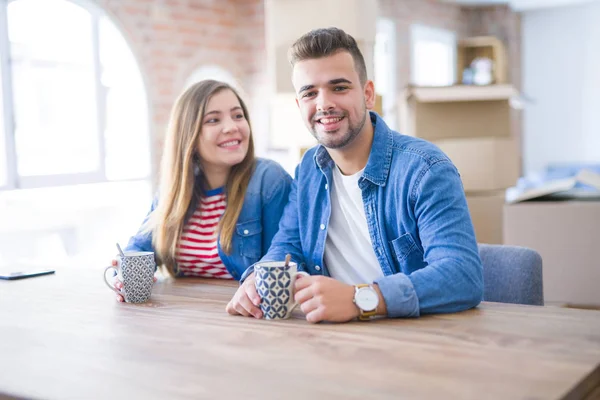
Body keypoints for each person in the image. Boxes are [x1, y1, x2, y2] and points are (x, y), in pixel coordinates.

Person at [226, 28, 483, 322]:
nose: (323, 103)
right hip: (334, 339)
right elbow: (289, 246)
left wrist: (360, 299)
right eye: (310, 93)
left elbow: (462, 274)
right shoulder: (310, 167)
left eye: (339, 87)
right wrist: (254, 283)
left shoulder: (425, 169)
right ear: (300, 105)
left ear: (368, 94)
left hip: (415, 342)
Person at [112, 80, 292, 306]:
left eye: (238, 116)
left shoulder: (269, 180)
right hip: (183, 317)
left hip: (245, 318)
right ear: (189, 135)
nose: (232, 127)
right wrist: (123, 276)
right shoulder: (173, 189)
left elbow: (282, 260)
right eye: (213, 120)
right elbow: (140, 247)